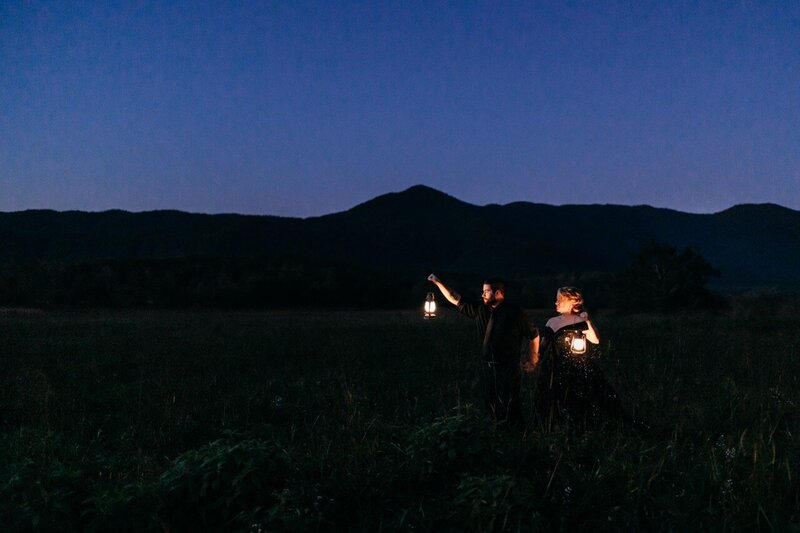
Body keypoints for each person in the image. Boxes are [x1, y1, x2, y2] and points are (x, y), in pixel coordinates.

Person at [427, 273, 539, 427]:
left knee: (510, 405)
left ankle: (518, 435)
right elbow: (455, 298)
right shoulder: (480, 310)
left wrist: (533, 360)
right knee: (490, 404)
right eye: (483, 291)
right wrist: (438, 283)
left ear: (498, 293)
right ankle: (496, 435)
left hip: (508, 368)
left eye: (486, 292)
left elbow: (534, 334)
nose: (483, 295)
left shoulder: (514, 313)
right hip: (486, 367)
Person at [533, 287, 637, 430]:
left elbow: (595, 340)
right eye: (556, 299)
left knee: (585, 398)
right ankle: (557, 428)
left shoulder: (580, 320)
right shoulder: (552, 322)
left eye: (560, 300)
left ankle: (589, 427)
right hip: (556, 368)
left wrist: (587, 321)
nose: (556, 302)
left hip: (579, 366)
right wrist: (535, 356)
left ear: (572, 302)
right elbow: (544, 345)